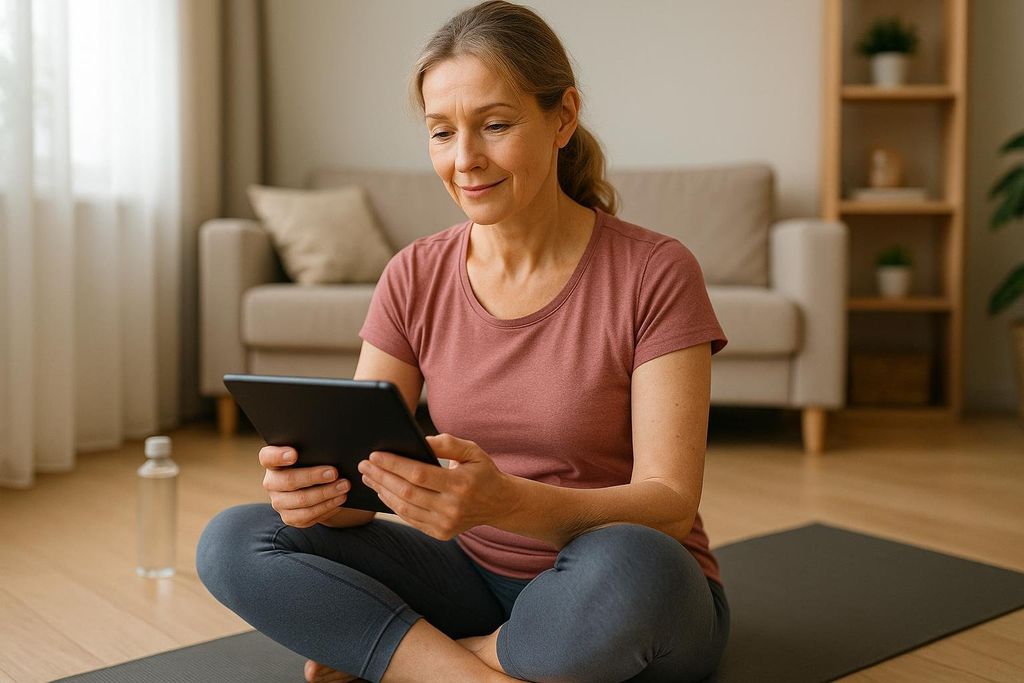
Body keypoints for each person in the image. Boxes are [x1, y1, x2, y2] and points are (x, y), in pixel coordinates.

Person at [196, 2, 730, 681]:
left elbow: (670, 503)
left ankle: (431, 657)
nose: (465, 160)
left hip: (617, 587)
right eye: (441, 132)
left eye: (495, 125)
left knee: (635, 566)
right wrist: (322, 496)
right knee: (237, 539)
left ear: (562, 116)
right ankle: (481, 671)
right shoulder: (414, 274)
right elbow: (364, 489)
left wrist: (506, 500)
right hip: (470, 580)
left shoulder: (656, 271)